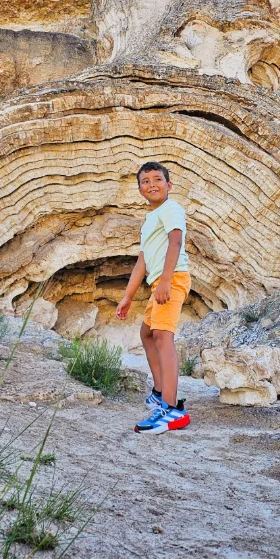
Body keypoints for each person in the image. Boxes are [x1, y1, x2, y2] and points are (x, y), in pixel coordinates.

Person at [115, 161, 192, 434]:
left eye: (157, 179)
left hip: (172, 278)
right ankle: (160, 392)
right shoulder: (150, 220)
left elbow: (175, 242)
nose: (152, 184)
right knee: (147, 334)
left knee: (162, 336)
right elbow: (142, 262)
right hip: (158, 281)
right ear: (139, 190)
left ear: (168, 185)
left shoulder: (171, 209)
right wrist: (127, 297)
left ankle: (170, 410)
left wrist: (167, 281)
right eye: (145, 181)